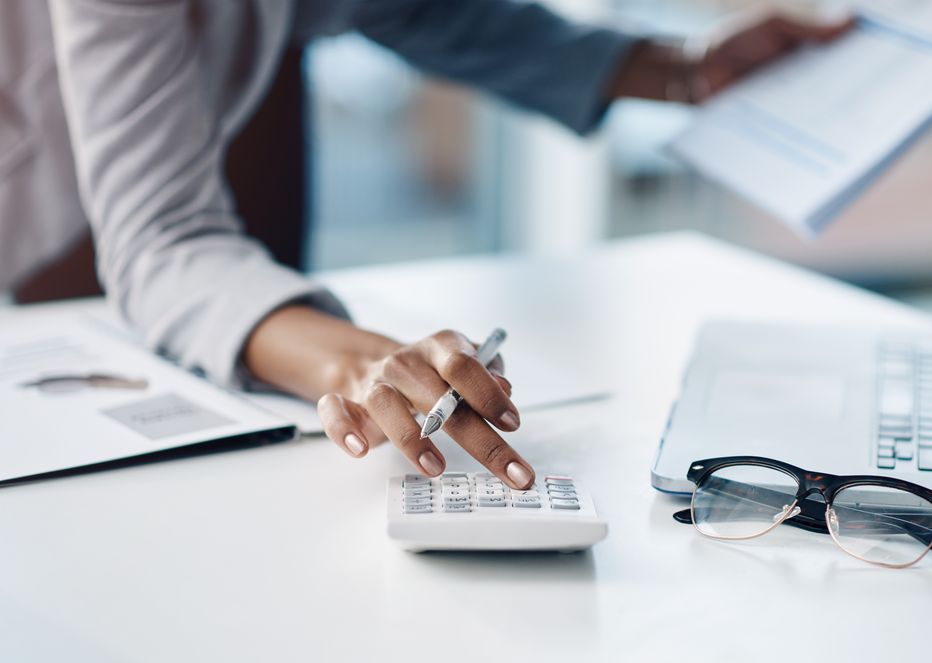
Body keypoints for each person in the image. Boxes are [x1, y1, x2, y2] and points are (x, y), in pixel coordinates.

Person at [0, 0, 850, 489]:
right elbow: (161, 242)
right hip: (39, 186)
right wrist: (364, 364)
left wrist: (683, 69)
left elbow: (419, 8)